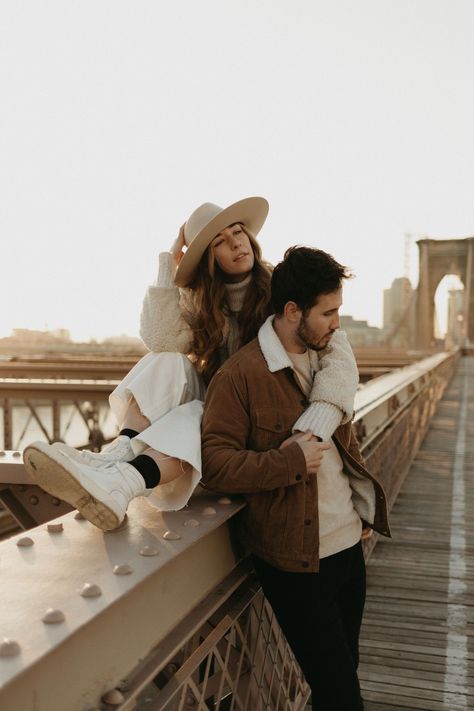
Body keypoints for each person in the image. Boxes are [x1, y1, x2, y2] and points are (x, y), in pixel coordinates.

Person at [23, 200, 358, 533]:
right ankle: (119, 456)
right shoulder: (202, 301)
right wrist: (170, 265)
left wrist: (315, 424)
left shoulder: (279, 289)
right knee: (165, 361)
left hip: (258, 418)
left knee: (196, 412)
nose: (236, 243)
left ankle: (123, 478)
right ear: (209, 259)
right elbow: (161, 339)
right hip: (220, 407)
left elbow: (337, 349)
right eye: (220, 241)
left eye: (238, 232)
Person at [201, 246, 391, 711]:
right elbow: (216, 464)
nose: (337, 324)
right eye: (328, 313)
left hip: (349, 546)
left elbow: (346, 446)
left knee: (343, 675)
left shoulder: (331, 365)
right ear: (292, 311)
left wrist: (360, 509)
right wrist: (287, 463)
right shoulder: (240, 376)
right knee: (343, 696)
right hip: (296, 562)